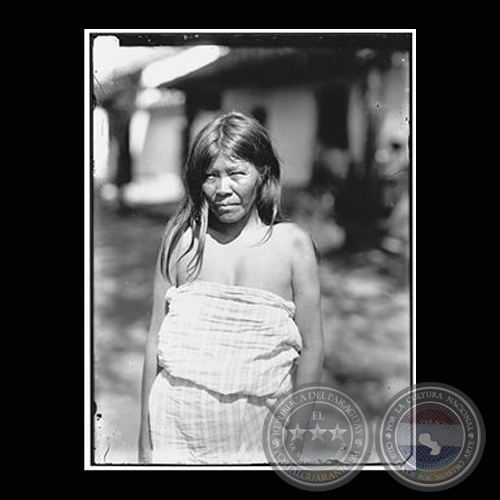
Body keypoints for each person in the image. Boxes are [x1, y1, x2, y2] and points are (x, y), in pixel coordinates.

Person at [138, 111, 324, 464]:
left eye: (237, 173)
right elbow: (153, 342)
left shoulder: (292, 245)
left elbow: (312, 348)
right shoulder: (181, 242)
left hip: (262, 429)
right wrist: (145, 441)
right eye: (211, 176)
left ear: (262, 173)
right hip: (175, 430)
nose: (223, 189)